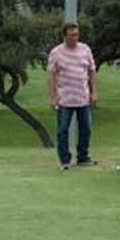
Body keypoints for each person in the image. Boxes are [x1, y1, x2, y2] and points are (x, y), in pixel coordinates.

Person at [47, 22, 97, 170]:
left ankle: (83, 156)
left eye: (76, 34)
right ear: (65, 36)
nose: (74, 38)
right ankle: (65, 160)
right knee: (63, 129)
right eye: (71, 35)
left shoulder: (85, 50)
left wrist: (94, 92)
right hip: (64, 98)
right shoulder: (56, 52)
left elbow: (92, 72)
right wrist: (53, 96)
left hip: (82, 97)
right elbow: (51, 75)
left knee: (86, 128)